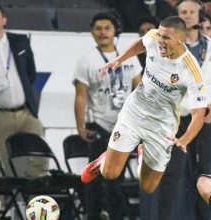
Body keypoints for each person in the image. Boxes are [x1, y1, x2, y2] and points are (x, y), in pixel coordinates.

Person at [81, 15, 207, 200]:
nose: (160, 41)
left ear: (181, 39)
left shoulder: (191, 70)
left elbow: (199, 113)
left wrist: (185, 140)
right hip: (134, 113)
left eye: (166, 38)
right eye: (160, 36)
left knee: (148, 187)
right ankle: (101, 160)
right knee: (110, 174)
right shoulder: (154, 38)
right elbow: (142, 42)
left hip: (162, 126)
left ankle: (142, 154)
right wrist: (121, 59)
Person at [154, 1, 211, 219]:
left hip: (203, 117)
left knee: (204, 174)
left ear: (200, 15)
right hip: (177, 119)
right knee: (171, 172)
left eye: (191, 12)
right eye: (182, 12)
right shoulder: (165, 46)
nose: (187, 16)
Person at [73, 11, 142, 220]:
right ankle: (92, 216)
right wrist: (80, 126)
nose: (103, 33)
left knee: (117, 179)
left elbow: (140, 88)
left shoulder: (129, 57)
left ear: (116, 31)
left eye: (107, 28)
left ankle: (116, 216)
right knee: (95, 178)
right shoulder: (87, 60)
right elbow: (81, 96)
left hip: (124, 127)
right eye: (98, 29)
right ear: (92, 33)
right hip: (99, 127)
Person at [0, 4, 48, 177]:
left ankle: (38, 195)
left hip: (25, 113)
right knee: (7, 161)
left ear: (4, 20)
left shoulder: (20, 41)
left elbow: (30, 73)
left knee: (38, 154)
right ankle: (11, 201)